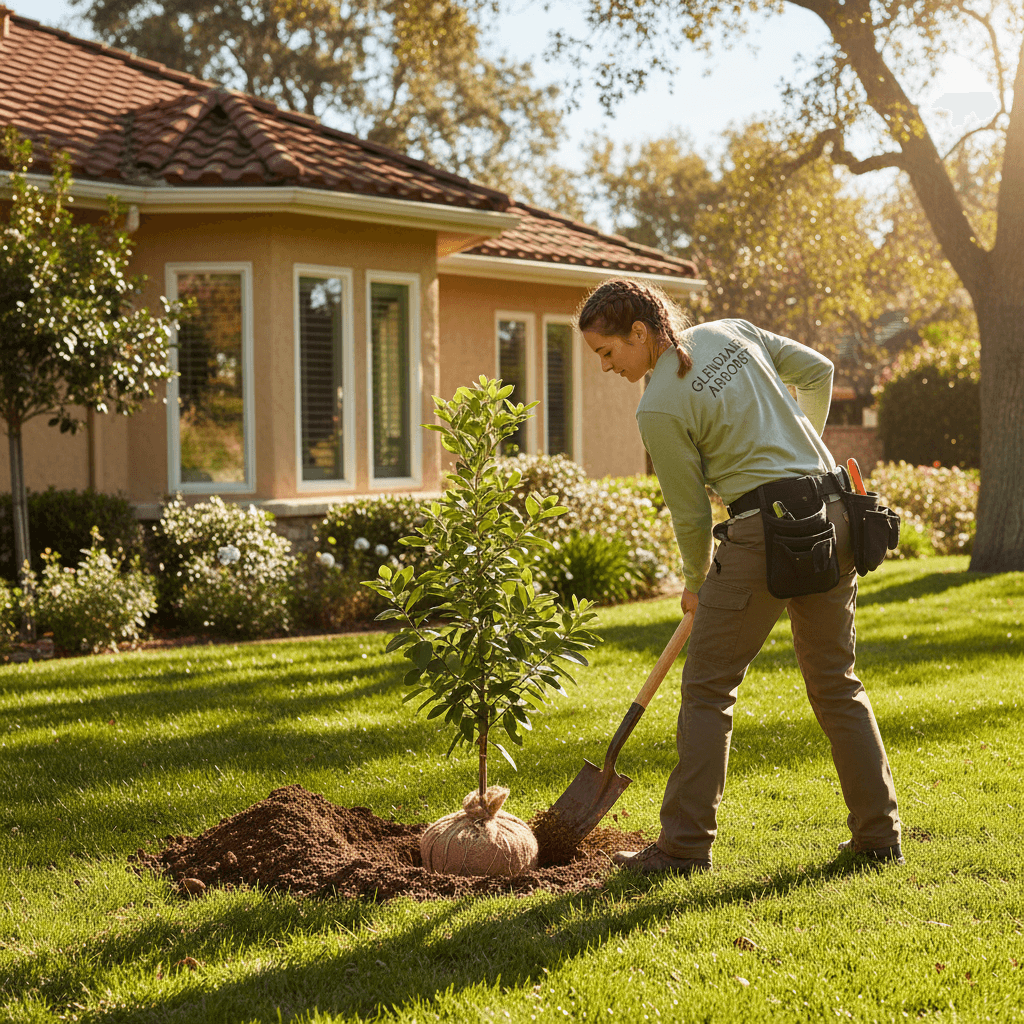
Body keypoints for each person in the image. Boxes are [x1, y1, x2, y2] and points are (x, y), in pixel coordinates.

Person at [577, 278, 902, 877]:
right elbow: (820, 370)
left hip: (762, 532)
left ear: (641, 333)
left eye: (607, 352)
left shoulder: (658, 408)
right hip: (836, 513)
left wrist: (695, 581)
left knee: (706, 687)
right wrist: (801, 450)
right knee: (837, 681)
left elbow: (692, 512)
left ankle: (681, 847)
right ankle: (879, 836)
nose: (604, 367)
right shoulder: (733, 332)